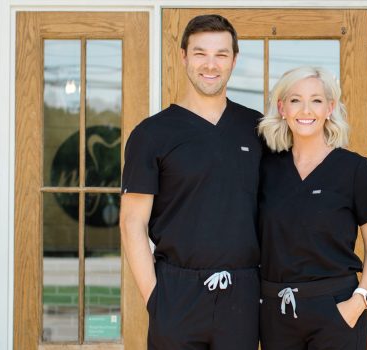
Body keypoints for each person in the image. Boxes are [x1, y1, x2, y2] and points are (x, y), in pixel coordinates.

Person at [119, 14, 262, 350]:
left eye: (221, 54)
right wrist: (156, 298)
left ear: (234, 60)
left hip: (243, 292)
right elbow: (131, 222)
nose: (210, 65)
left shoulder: (258, 130)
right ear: (183, 56)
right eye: (200, 53)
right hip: (176, 292)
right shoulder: (151, 135)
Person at [257, 66, 367, 350]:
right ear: (282, 108)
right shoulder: (264, 168)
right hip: (276, 312)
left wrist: (360, 300)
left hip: (337, 308)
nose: (306, 110)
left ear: (330, 108)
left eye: (316, 100)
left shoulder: (355, 169)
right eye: (295, 100)